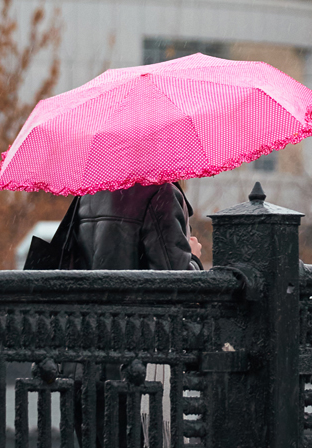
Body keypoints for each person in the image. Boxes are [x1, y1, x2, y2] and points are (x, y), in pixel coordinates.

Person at [73, 181, 203, 448]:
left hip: (85, 362)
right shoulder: (159, 192)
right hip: (136, 365)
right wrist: (196, 259)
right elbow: (175, 282)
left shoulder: (88, 193)